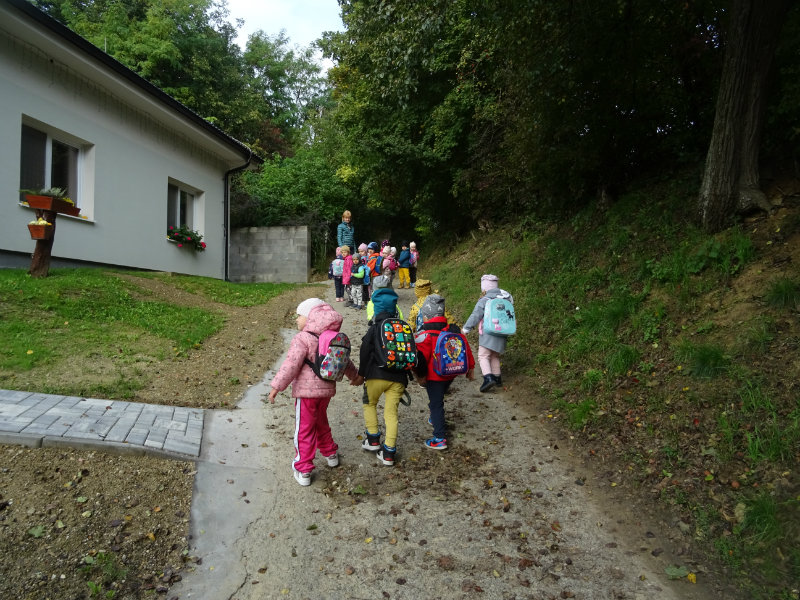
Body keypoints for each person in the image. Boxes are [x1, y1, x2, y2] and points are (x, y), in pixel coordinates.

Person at [267, 298, 363, 486]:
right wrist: (355, 376)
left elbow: (291, 365)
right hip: (325, 393)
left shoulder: (302, 338)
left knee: (304, 428)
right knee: (320, 421)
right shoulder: (331, 338)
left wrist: (276, 386)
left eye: (299, 315)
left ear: (310, 317)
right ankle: (331, 453)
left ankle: (303, 469)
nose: (297, 319)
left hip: (306, 395)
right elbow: (345, 361)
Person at [413, 294, 475, 449]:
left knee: (436, 404)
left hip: (434, 376)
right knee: (438, 398)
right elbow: (466, 348)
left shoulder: (425, 335)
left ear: (426, 316)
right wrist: (471, 368)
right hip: (451, 373)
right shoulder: (454, 330)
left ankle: (439, 438)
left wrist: (420, 376)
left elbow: (420, 360)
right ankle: (435, 418)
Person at [358, 287, 411, 466]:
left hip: (375, 376)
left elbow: (365, 351)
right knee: (391, 413)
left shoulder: (374, 328)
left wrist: (361, 374)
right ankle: (389, 452)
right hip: (399, 379)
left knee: (370, 404)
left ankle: (373, 439)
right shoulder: (402, 328)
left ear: (376, 309)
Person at [462, 274, 514, 393]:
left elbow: (475, 315)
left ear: (484, 288)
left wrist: (466, 329)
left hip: (488, 332)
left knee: (483, 356)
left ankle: (488, 378)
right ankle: (497, 378)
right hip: (502, 331)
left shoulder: (485, 300)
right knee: (495, 355)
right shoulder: (505, 298)